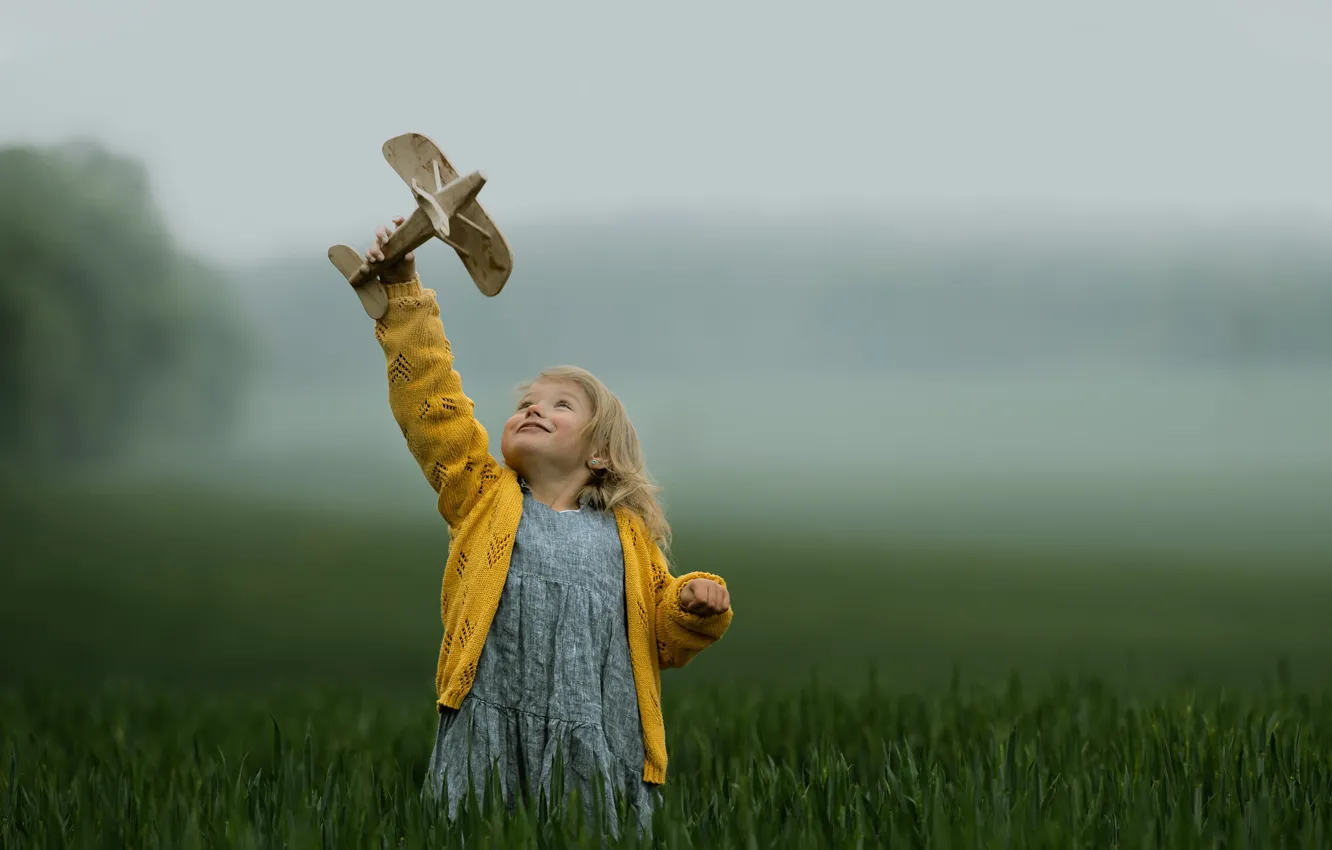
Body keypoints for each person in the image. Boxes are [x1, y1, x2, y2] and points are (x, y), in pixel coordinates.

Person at [363, 218, 734, 836]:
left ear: (601, 455)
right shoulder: (484, 498)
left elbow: (662, 631)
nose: (533, 407)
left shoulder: (628, 536)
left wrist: (698, 603)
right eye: (525, 403)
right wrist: (402, 291)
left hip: (598, 741)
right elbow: (433, 405)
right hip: (489, 729)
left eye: (561, 405)